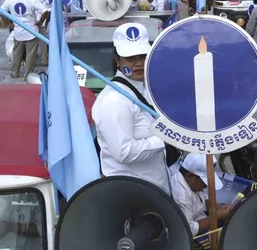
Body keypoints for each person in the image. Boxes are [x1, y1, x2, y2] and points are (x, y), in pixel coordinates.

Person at [91, 23, 173, 195]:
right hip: (132, 195)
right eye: (130, 57)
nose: (138, 63)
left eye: (143, 56)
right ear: (117, 60)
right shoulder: (114, 100)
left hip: (156, 189)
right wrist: (167, 138)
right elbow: (124, 152)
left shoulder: (147, 87)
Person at [169, 154, 232, 238]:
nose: (206, 186)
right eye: (204, 182)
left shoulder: (192, 183)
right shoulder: (181, 197)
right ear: (190, 176)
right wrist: (215, 217)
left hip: (203, 216)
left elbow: (204, 198)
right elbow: (189, 230)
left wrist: (217, 207)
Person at [2, 0, 48, 78]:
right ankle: (27, 75)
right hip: (31, 30)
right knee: (30, 54)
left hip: (18, 30)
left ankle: (14, 73)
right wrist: (40, 22)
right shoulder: (32, 0)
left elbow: (1, 11)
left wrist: (7, 23)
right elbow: (45, 11)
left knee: (17, 53)